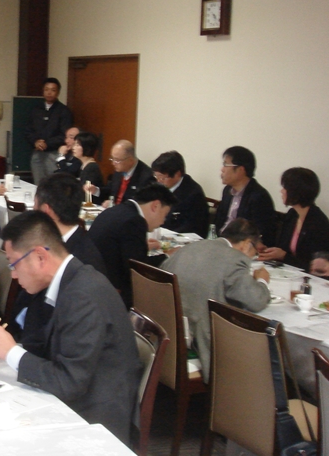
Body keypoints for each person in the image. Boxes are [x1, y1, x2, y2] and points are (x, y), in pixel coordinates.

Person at [0, 211, 140, 445]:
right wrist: (5, 347)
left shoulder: (84, 295)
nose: (13, 275)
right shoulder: (69, 280)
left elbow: (69, 382)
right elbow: (53, 347)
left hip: (94, 419)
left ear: (40, 257)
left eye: (13, 264)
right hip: (77, 397)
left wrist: (10, 352)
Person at [160, 219, 271, 382]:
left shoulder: (191, 247)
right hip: (200, 342)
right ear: (247, 244)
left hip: (168, 332)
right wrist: (262, 281)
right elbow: (256, 301)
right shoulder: (234, 258)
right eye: (255, 252)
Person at [9, 173, 107, 346]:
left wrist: (13, 350)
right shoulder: (49, 245)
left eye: (34, 207)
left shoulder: (84, 261)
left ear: (46, 212)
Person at [87, 183, 177, 306]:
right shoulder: (134, 221)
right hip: (112, 293)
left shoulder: (117, 210)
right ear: (155, 206)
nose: (163, 221)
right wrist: (169, 256)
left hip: (95, 280)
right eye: (165, 215)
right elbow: (138, 268)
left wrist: (142, 246)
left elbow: (120, 247)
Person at [259, 167, 329, 271]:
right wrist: (268, 250)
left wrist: (284, 257)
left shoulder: (318, 224)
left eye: (285, 188)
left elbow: (318, 267)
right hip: (290, 272)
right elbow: (282, 248)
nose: (281, 191)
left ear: (296, 192)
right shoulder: (292, 214)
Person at [214, 146, 277, 247]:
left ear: (240, 170)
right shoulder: (227, 191)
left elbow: (261, 235)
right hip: (222, 243)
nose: (222, 169)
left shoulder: (259, 197)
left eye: (226, 164)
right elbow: (219, 222)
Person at [25, 78, 73, 184]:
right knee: (38, 184)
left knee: (53, 184)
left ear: (58, 92)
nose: (49, 93)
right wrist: (35, 141)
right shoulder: (36, 110)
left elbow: (64, 134)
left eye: (53, 90)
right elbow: (28, 130)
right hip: (37, 153)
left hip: (54, 153)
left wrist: (47, 143)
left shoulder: (64, 111)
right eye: (46, 89)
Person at [151, 150, 209, 238]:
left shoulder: (193, 195)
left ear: (177, 174)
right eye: (156, 176)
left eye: (162, 178)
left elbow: (191, 228)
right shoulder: (161, 186)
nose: (159, 181)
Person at [95, 140, 155, 206]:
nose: (113, 163)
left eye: (117, 160)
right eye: (112, 158)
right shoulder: (119, 170)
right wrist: (96, 190)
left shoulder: (146, 176)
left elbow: (138, 204)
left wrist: (114, 205)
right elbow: (111, 190)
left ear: (130, 160)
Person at [71, 132, 103, 196]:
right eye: (74, 144)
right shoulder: (84, 165)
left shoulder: (91, 167)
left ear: (86, 147)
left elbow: (87, 192)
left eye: (77, 145)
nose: (73, 148)